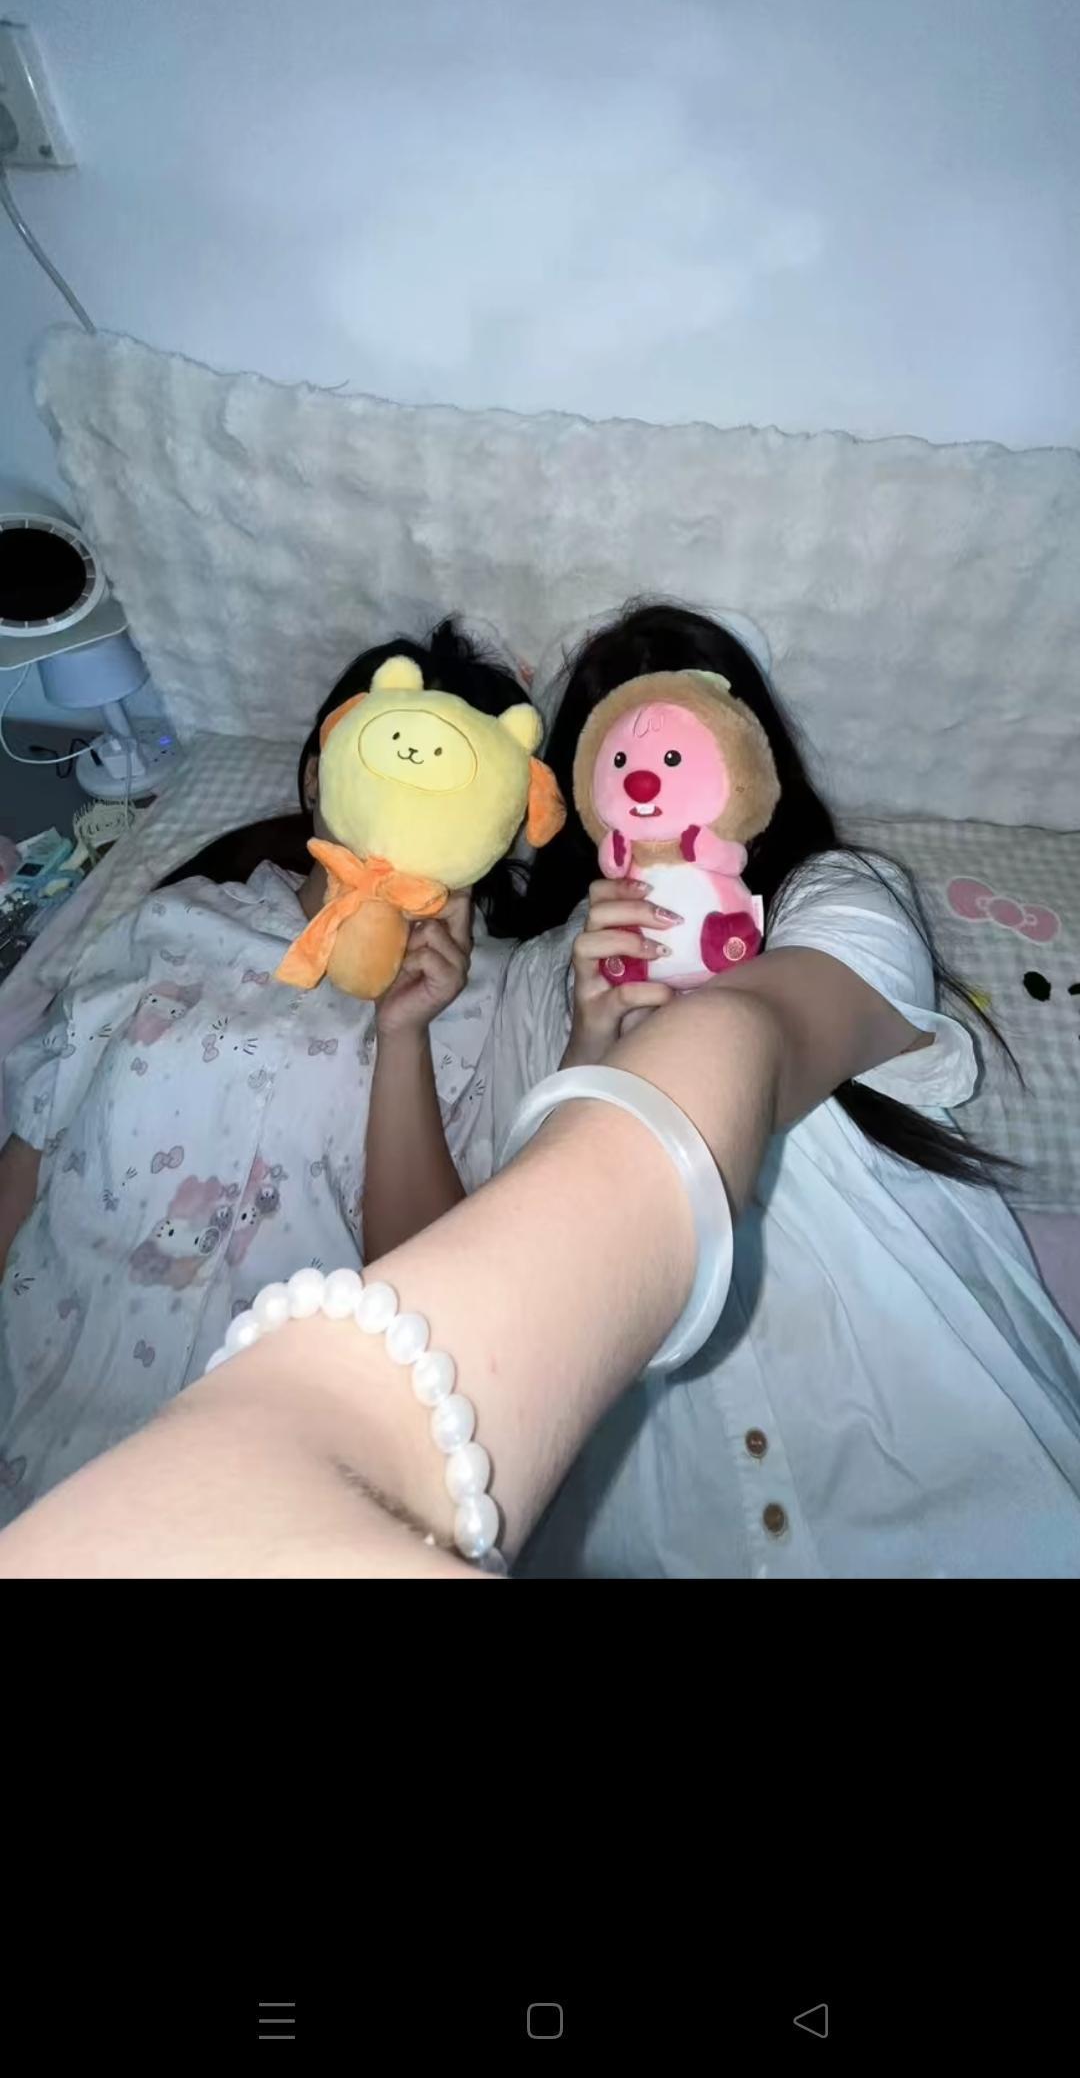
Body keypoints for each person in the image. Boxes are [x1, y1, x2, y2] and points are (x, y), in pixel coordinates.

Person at [488, 599, 1080, 1580]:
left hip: (930, 1413)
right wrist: (589, 1038)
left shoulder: (837, 890)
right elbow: (517, 1231)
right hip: (647, 1488)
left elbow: (776, 1036)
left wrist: (654, 1044)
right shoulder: (536, 976)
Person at [0, 620, 525, 1523]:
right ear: (320, 776)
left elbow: (430, 1296)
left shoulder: (491, 998)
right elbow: (29, 1157)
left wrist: (404, 1037)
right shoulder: (173, 924)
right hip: (32, 1407)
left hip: (261, 1482)